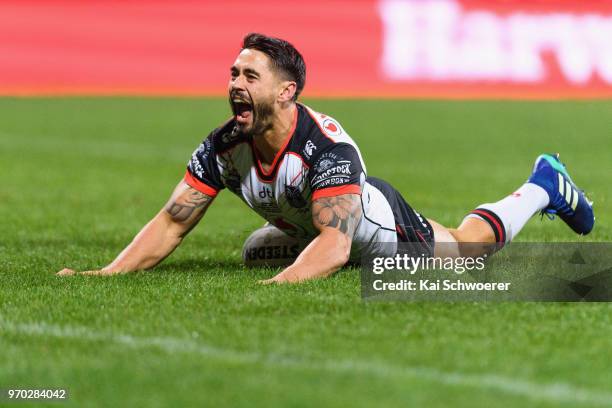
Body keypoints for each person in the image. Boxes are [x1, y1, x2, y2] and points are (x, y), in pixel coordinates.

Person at [57, 33, 595, 283]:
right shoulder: (224, 146)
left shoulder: (326, 147)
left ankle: (543, 185)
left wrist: (280, 287)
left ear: (287, 92)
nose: (235, 85)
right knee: (252, 253)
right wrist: (106, 274)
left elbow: (336, 245)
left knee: (469, 248)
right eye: (232, 74)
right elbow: (172, 223)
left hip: (374, 225)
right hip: (310, 225)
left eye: (250, 76)